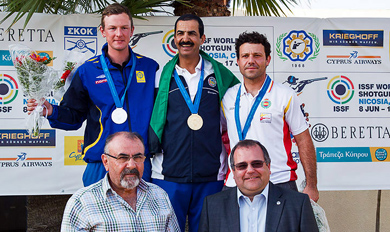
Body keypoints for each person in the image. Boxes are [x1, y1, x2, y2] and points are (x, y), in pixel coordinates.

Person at [27, 3, 158, 186]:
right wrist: (51, 111)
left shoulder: (150, 68)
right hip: (101, 163)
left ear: (132, 30)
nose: (118, 34)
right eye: (112, 28)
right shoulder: (87, 71)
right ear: (103, 31)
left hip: (139, 162)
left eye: (124, 28)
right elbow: (74, 116)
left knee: (141, 215)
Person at [148, 14, 240, 232]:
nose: (185, 38)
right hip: (167, 174)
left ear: (202, 38)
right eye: (180, 33)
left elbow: (238, 114)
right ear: (174, 38)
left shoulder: (219, 75)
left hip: (211, 174)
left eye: (191, 33)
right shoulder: (160, 76)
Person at [222, 31, 319, 201]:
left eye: (257, 55)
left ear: (267, 59)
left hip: (279, 181)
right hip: (236, 182)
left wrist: (311, 185)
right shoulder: (228, 97)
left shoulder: (285, 95)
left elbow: (303, 140)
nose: (250, 60)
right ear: (237, 61)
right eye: (245, 56)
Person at [61, 131, 180, 231]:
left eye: (138, 157)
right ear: (105, 161)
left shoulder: (160, 196)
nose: (131, 165)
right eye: (123, 158)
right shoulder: (82, 202)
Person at [199, 139, 319, 232]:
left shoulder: (298, 204)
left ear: (269, 167)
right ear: (234, 172)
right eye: (242, 166)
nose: (250, 170)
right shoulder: (212, 206)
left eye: (256, 164)